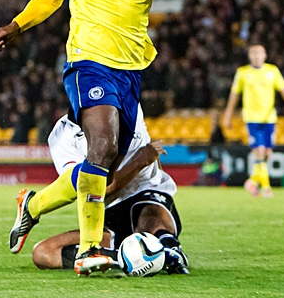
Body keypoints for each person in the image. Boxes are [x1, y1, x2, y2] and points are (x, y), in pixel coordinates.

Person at [0, 0, 212, 275]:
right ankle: (91, 248)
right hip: (87, 63)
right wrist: (16, 26)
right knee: (102, 145)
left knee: (103, 161)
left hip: (130, 71)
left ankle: (34, 205)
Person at [28, 105, 189, 275]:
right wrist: (140, 160)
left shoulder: (128, 103)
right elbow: (92, 191)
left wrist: (154, 176)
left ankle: (171, 249)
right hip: (108, 212)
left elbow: (150, 151)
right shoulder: (61, 137)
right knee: (42, 253)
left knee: (148, 220)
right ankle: (127, 258)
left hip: (146, 194)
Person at [222, 43, 284, 198]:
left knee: (267, 153)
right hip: (252, 118)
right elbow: (234, 95)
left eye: (260, 53)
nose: (257, 56)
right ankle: (266, 187)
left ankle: (252, 181)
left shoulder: (272, 71)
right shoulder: (242, 73)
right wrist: (228, 115)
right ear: (250, 56)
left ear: (265, 55)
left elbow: (283, 89)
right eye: (254, 53)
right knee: (259, 151)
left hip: (269, 118)